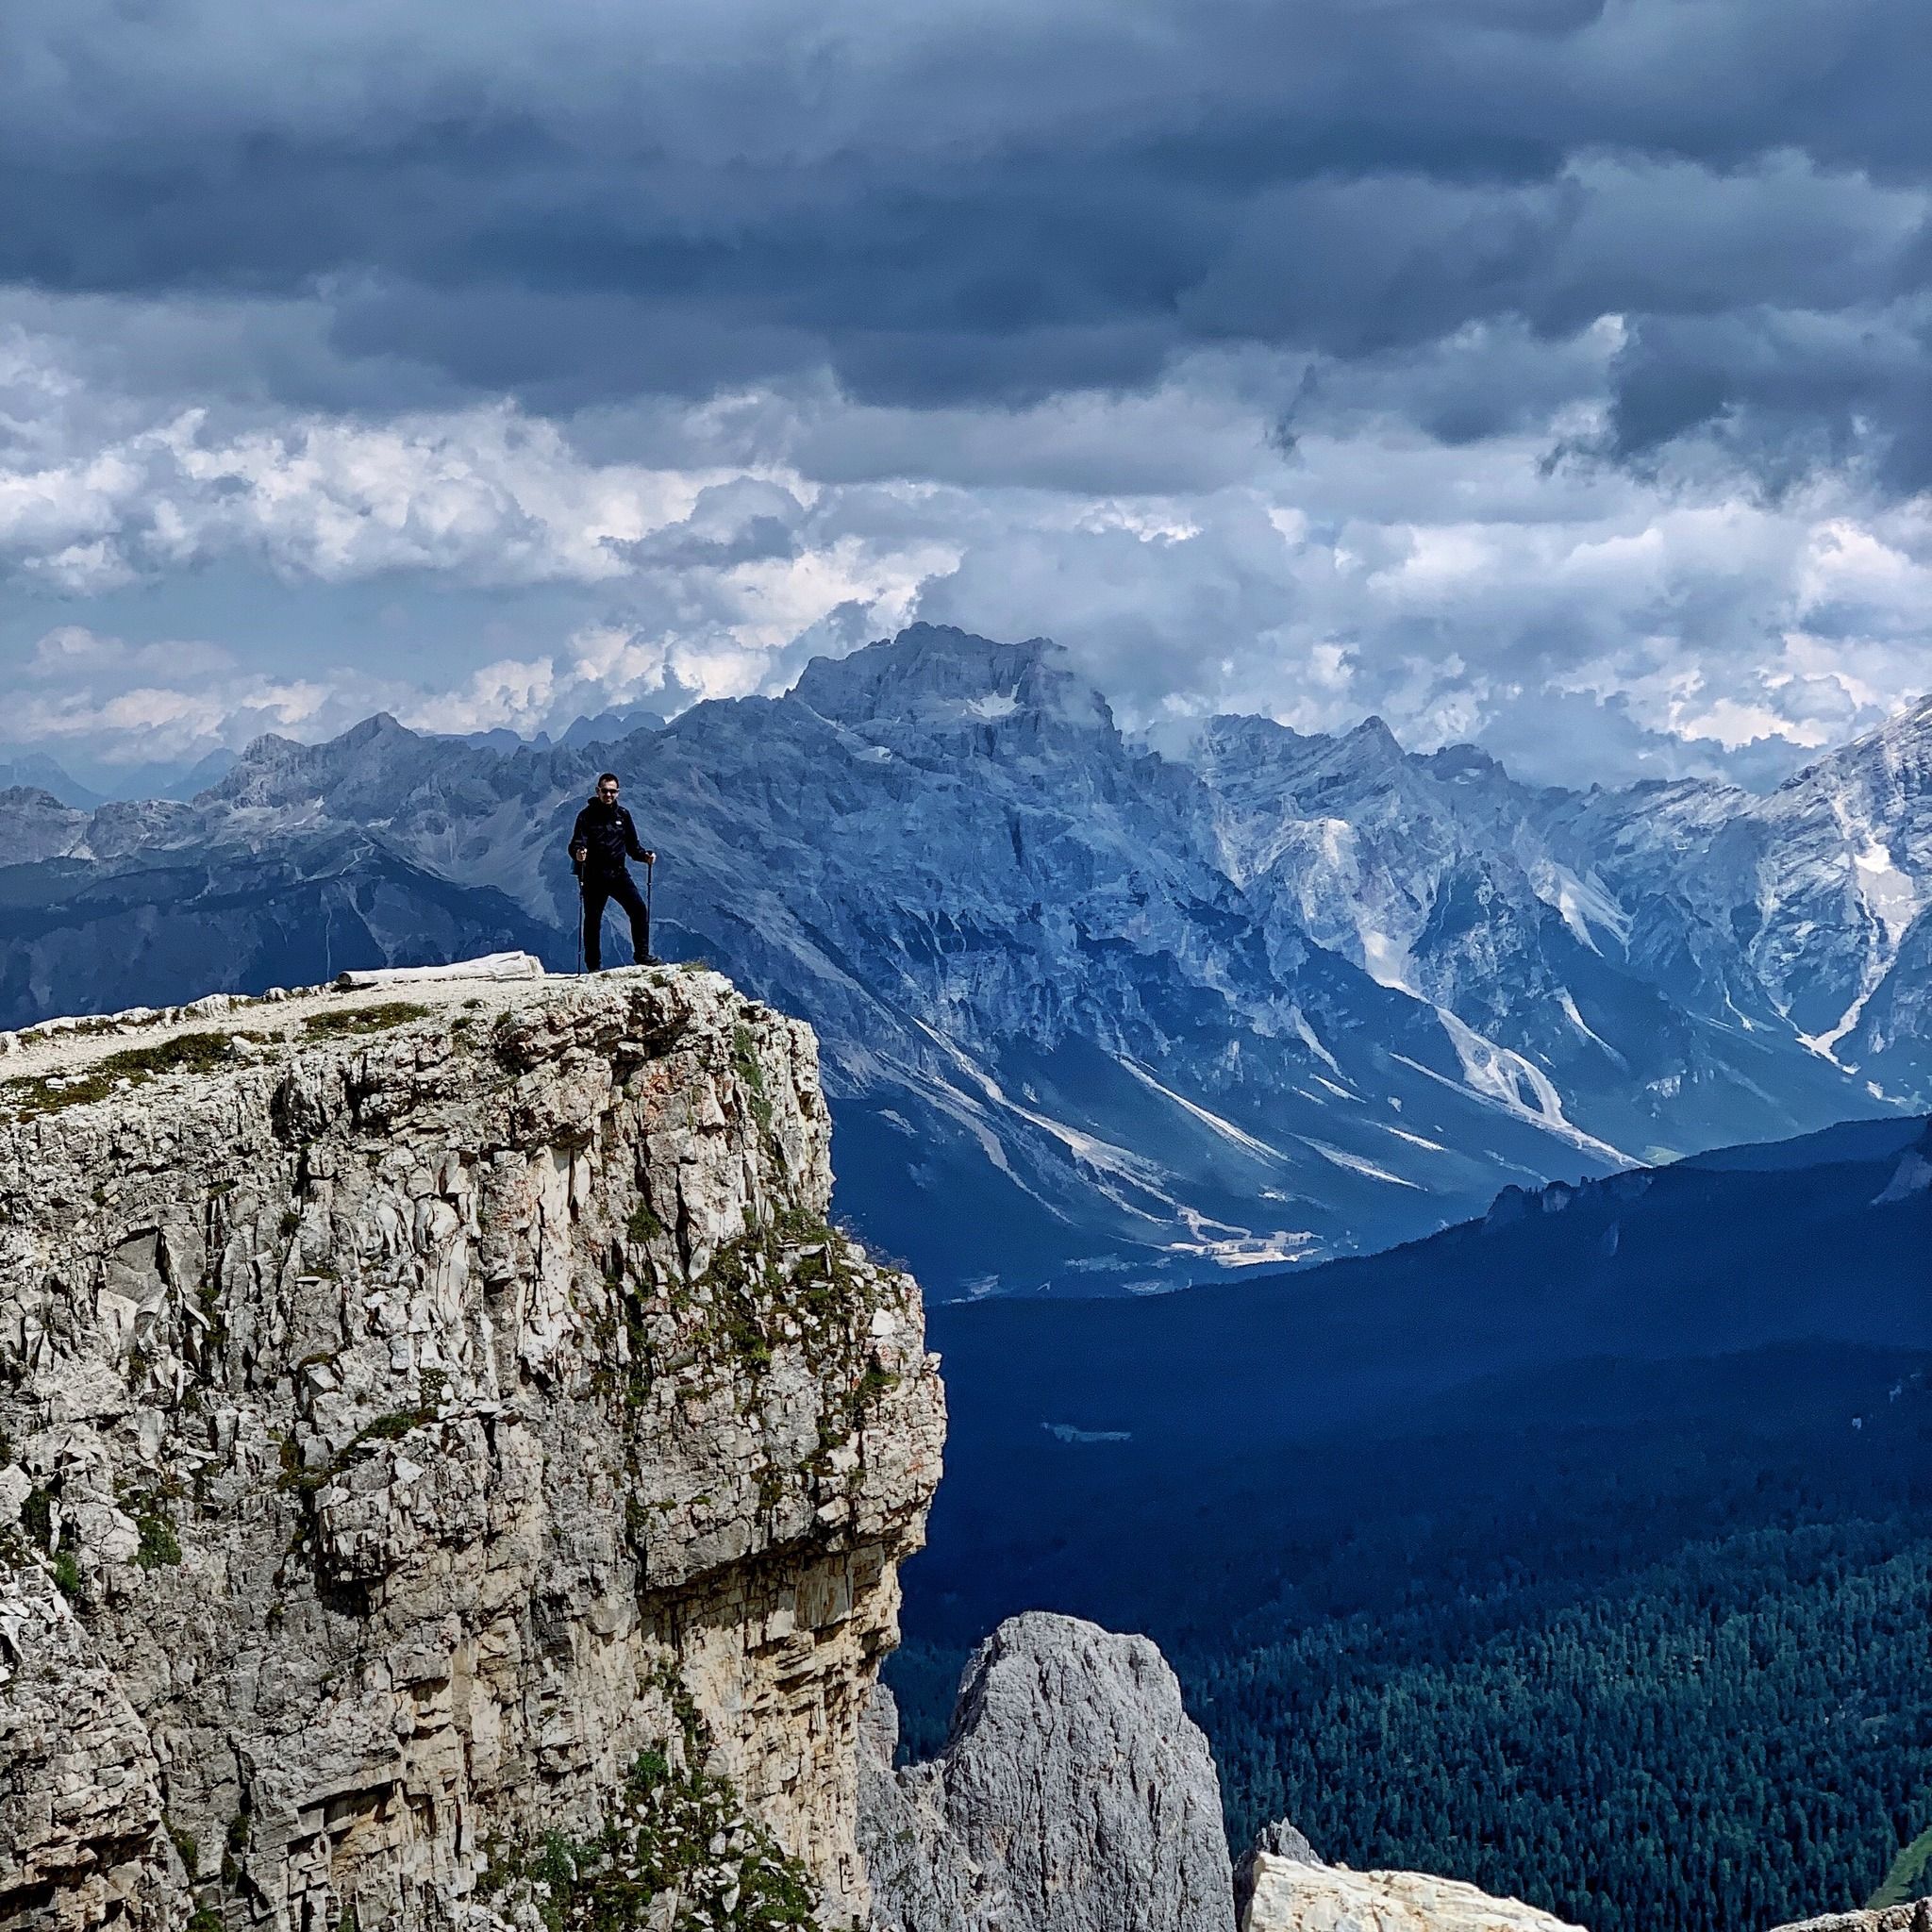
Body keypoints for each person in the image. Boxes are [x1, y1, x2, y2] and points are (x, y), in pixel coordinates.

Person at [568, 772, 658, 970]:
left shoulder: (623, 816)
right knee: (593, 921)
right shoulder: (585, 816)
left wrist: (645, 856)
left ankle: (642, 955)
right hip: (593, 876)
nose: (608, 795)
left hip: (618, 873)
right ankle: (593, 966)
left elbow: (633, 847)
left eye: (612, 791)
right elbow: (576, 843)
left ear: (618, 793)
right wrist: (578, 853)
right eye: (605, 791)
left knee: (638, 909)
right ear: (597, 791)